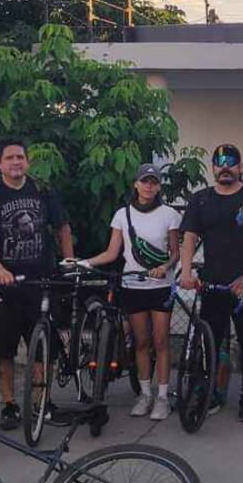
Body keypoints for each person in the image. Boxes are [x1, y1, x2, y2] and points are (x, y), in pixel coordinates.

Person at [0, 139, 73, 431]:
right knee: (3, 351)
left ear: (27, 161)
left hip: (40, 282)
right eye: (10, 158)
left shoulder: (42, 190)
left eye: (21, 157)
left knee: (45, 348)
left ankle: (42, 402)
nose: (16, 162)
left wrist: (68, 262)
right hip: (3, 286)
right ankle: (9, 405)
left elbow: (63, 227)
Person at [180, 144, 243, 422]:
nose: (225, 167)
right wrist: (186, 273)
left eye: (231, 162)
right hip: (212, 285)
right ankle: (207, 393)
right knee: (209, 342)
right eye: (220, 162)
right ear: (213, 168)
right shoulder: (200, 200)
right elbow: (189, 239)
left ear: (240, 167)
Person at [81, 163, 181, 420]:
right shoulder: (121, 215)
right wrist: (85, 262)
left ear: (159, 186)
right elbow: (112, 253)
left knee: (160, 341)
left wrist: (164, 267)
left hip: (159, 286)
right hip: (133, 285)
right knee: (141, 342)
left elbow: (175, 253)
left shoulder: (169, 214)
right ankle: (145, 394)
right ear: (136, 184)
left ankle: (162, 396)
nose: (149, 186)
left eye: (154, 182)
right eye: (145, 181)